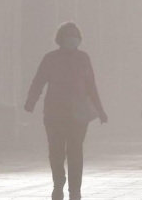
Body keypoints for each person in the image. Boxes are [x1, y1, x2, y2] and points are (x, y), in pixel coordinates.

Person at [24, 22, 108, 200]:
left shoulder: (83, 59)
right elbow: (38, 81)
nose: (72, 39)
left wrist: (100, 110)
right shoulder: (50, 58)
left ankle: (75, 189)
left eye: (75, 36)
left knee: (75, 152)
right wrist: (31, 101)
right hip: (54, 113)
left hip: (78, 114)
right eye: (68, 35)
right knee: (56, 151)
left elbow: (91, 86)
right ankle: (59, 182)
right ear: (61, 38)